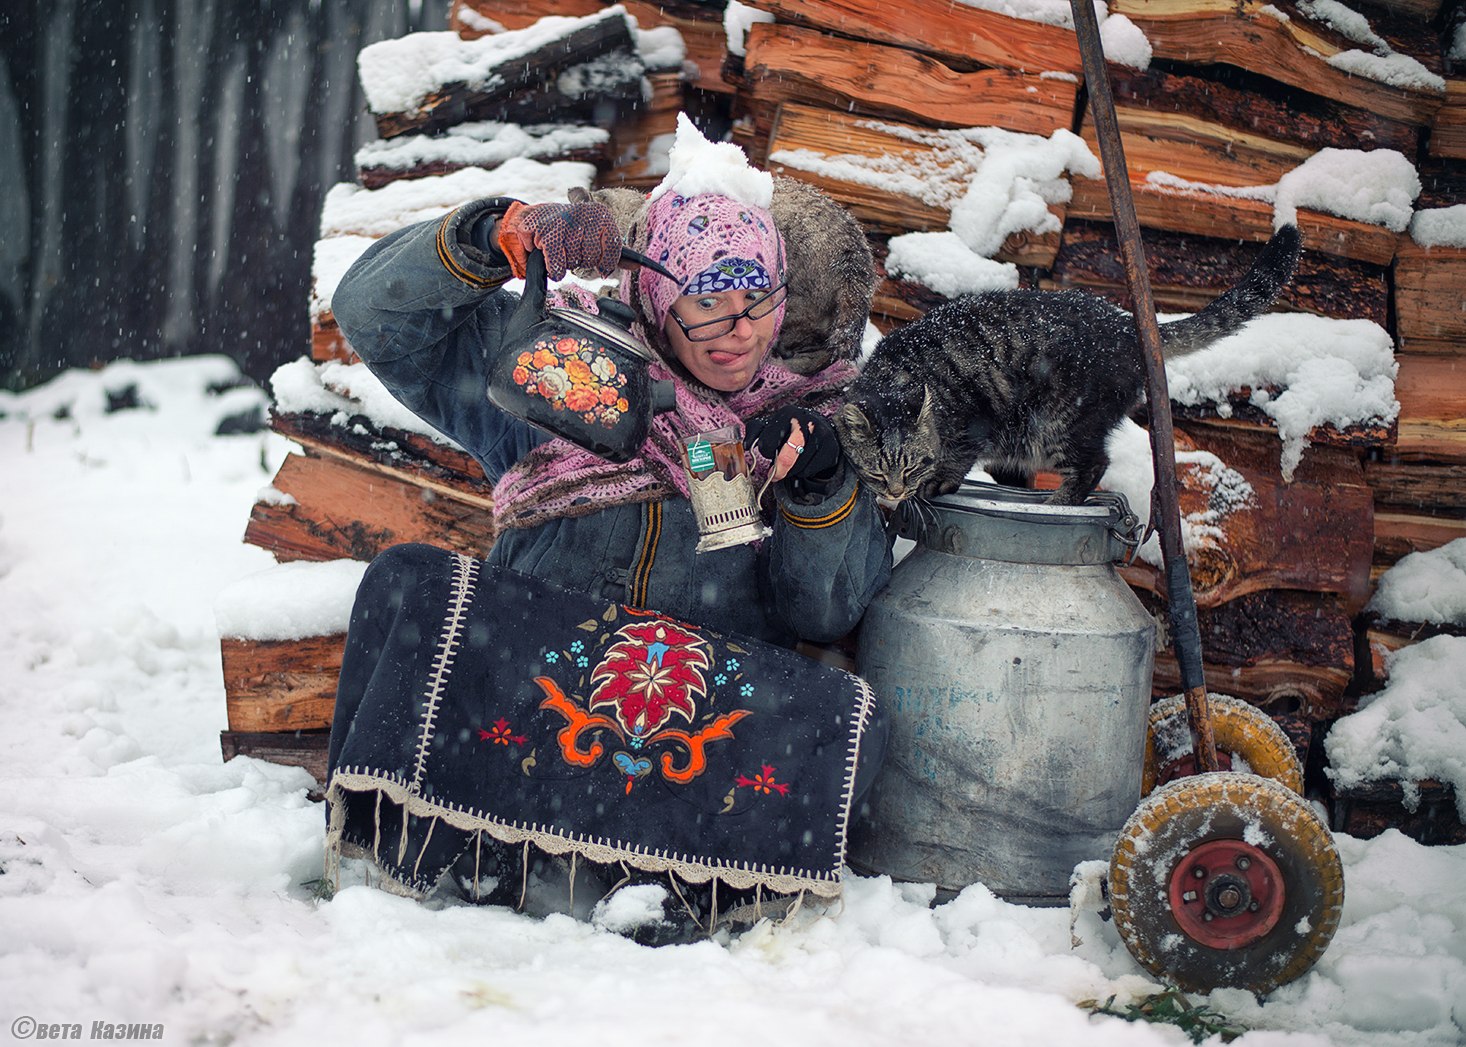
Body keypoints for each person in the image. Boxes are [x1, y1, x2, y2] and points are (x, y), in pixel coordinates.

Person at [323, 149, 892, 941]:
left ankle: (661, 885)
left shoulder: (803, 423)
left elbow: (825, 610)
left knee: (845, 714)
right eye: (704, 301)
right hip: (532, 710)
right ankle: (450, 842)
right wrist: (488, 239)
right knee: (409, 583)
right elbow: (372, 314)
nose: (738, 333)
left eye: (758, 300)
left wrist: (818, 486)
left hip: (686, 738)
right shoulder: (560, 373)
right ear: (656, 295)